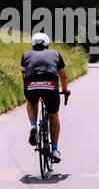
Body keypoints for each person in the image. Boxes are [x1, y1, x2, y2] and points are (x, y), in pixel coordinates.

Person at [21, 33, 70, 163]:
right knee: (53, 115)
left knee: (31, 101)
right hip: (50, 86)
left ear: (33, 44)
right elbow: (63, 77)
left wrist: (30, 88)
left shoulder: (26, 55)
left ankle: (33, 125)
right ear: (47, 44)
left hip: (30, 85)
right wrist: (65, 90)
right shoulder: (55, 54)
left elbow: (24, 76)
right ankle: (54, 149)